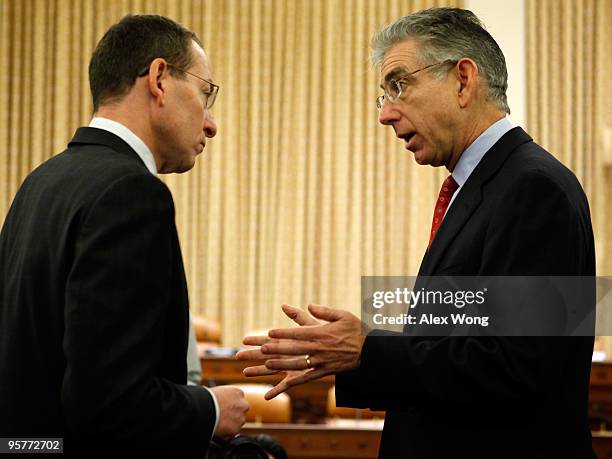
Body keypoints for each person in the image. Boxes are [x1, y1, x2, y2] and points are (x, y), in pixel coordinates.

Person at [237, 7, 596, 459]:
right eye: (383, 94)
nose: (386, 114)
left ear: (463, 80)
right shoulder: (483, 188)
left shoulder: (535, 188)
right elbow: (462, 345)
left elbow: (520, 369)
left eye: (399, 85)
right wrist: (357, 352)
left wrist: (367, 350)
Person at [0, 14, 248, 457]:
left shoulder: (40, 182)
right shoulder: (131, 193)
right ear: (158, 79)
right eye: (205, 93)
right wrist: (210, 409)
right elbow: (110, 404)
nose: (211, 124)